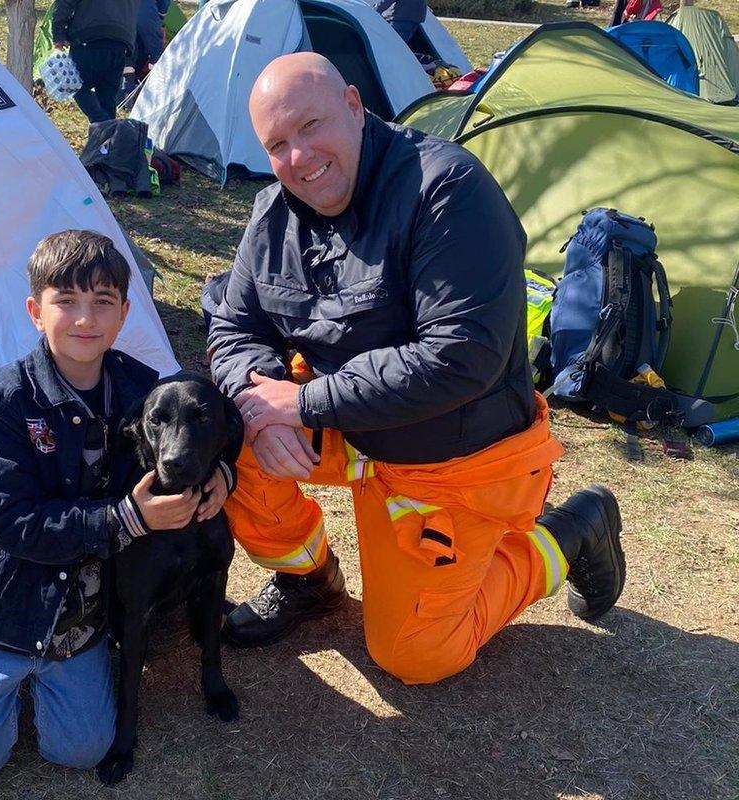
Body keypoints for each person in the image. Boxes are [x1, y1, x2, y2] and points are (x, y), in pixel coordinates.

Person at [207, 53, 625, 685]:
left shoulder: (447, 191)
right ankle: (309, 580)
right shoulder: (273, 215)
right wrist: (256, 405)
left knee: (417, 655)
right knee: (219, 441)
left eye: (311, 125)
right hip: (348, 426)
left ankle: (571, 531)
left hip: (448, 455)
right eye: (277, 145)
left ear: (353, 104)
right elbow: (233, 326)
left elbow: (461, 359)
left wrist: (302, 405)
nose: (299, 157)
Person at [0, 230, 232, 781]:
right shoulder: (2, 401)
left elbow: (211, 421)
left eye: (102, 303)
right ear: (34, 312)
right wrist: (127, 520)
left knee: (83, 749)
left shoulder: (142, 389)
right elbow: (13, 523)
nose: (85, 319)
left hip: (79, 598)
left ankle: (54, 674)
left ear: (123, 315)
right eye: (65, 301)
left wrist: (224, 475)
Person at [52, 0, 140, 123]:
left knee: (74, 85)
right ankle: (106, 134)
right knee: (108, 97)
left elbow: (64, 3)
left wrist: (58, 34)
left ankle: (100, 120)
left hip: (88, 35)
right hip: (120, 40)